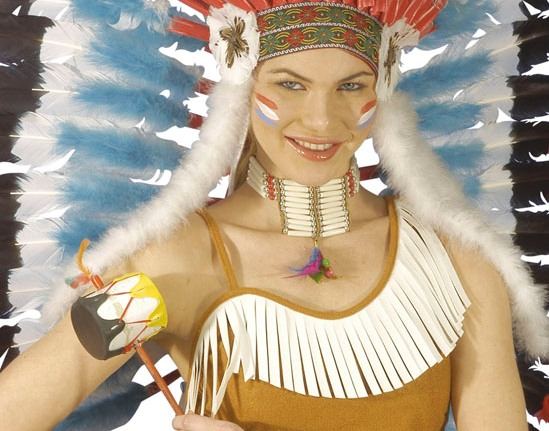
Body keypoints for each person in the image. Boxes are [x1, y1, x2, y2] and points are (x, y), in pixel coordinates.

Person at [0, 1, 544, 430]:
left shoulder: (455, 259)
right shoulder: (174, 260)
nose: (321, 119)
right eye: (290, 84)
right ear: (243, 87)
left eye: (350, 86)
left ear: (381, 90)